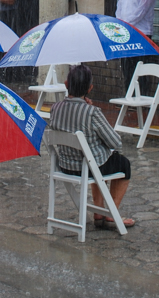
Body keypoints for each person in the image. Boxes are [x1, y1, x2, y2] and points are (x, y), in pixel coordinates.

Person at [49, 64, 134, 229]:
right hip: (87, 168)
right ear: (90, 88)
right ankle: (111, 214)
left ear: (66, 84)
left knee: (95, 159)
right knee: (122, 164)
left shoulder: (55, 108)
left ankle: (98, 212)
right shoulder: (92, 112)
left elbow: (69, 119)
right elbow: (115, 142)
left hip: (65, 166)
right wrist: (88, 108)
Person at [115, 0, 157, 94]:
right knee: (127, 68)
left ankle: (141, 96)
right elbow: (120, 5)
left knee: (140, 69)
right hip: (125, 31)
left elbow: (141, 11)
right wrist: (119, 22)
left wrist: (126, 23)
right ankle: (129, 95)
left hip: (141, 32)